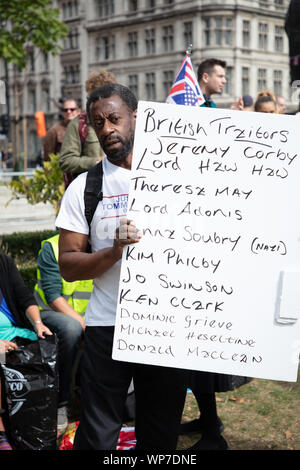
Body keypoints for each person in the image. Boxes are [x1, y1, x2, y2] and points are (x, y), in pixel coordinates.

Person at [55, 83, 188, 450]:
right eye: (99, 122)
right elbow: (68, 265)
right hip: (106, 326)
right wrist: (113, 252)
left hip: (164, 325)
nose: (107, 128)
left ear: (136, 118)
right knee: (98, 432)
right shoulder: (84, 187)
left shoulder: (178, 179)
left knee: (160, 431)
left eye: (114, 118)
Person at [179, 60, 252, 451]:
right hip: (193, 230)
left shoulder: (211, 113)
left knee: (200, 340)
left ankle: (211, 431)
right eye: (220, 75)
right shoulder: (194, 110)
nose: (225, 81)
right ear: (202, 78)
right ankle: (209, 419)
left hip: (210, 233)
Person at [34, 233, 93, 433]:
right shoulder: (52, 247)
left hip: (90, 315)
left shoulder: (103, 243)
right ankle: (60, 403)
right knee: (71, 329)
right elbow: (52, 295)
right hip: (49, 313)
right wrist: (83, 323)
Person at [0, 253, 52, 450]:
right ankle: (1, 433)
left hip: (13, 333)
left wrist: (38, 324)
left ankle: (39, 423)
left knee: (46, 349)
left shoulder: (4, 262)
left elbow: (24, 296)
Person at [59, 69, 117, 188]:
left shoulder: (122, 121)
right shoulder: (79, 124)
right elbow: (66, 160)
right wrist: (96, 162)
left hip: (118, 190)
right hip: (91, 192)